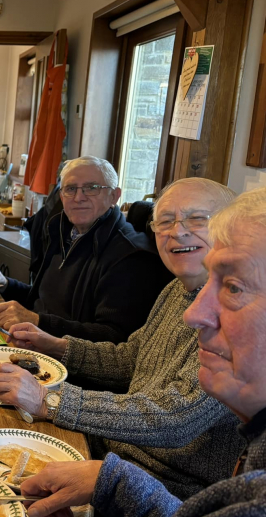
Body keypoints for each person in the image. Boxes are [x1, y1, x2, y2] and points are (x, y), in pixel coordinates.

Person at [19, 186, 266, 517]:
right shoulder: (174, 290)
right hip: (114, 460)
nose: (178, 231)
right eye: (166, 220)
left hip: (161, 485)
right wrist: (59, 346)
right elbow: (129, 359)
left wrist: (50, 400)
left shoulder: (225, 335)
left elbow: (174, 419)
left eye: (196, 218)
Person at [0, 156, 171, 343]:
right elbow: (44, 302)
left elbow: (116, 339)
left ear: (114, 195)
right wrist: (5, 284)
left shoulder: (131, 257)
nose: (79, 197)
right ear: (62, 196)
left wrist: (38, 322)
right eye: (70, 189)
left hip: (70, 370)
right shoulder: (62, 234)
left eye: (92, 188)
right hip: (32, 345)